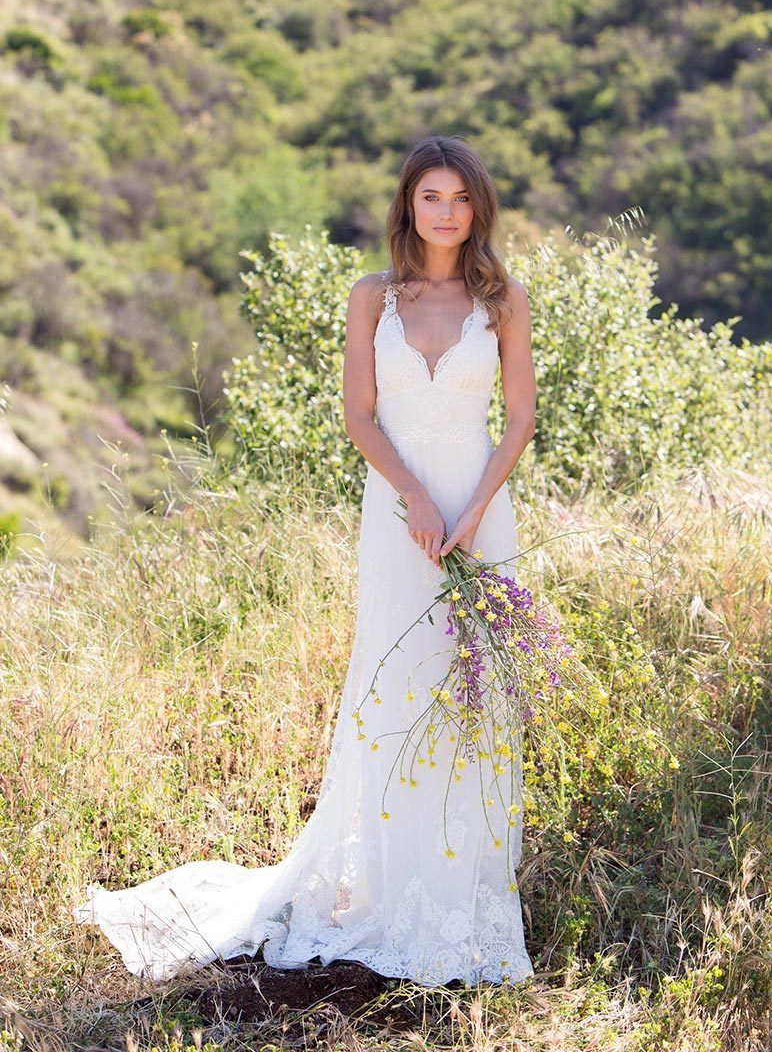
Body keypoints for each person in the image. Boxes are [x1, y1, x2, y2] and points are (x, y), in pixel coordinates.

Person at [72, 134, 537, 987]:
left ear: (478, 209)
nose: (446, 212)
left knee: (475, 694)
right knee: (393, 686)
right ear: (408, 206)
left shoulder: (503, 300)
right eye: (431, 196)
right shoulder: (372, 298)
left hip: (482, 515)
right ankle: (390, 885)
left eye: (461, 199)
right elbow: (360, 418)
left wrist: (470, 512)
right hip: (399, 518)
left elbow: (518, 421)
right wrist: (418, 502)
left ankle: (463, 892)